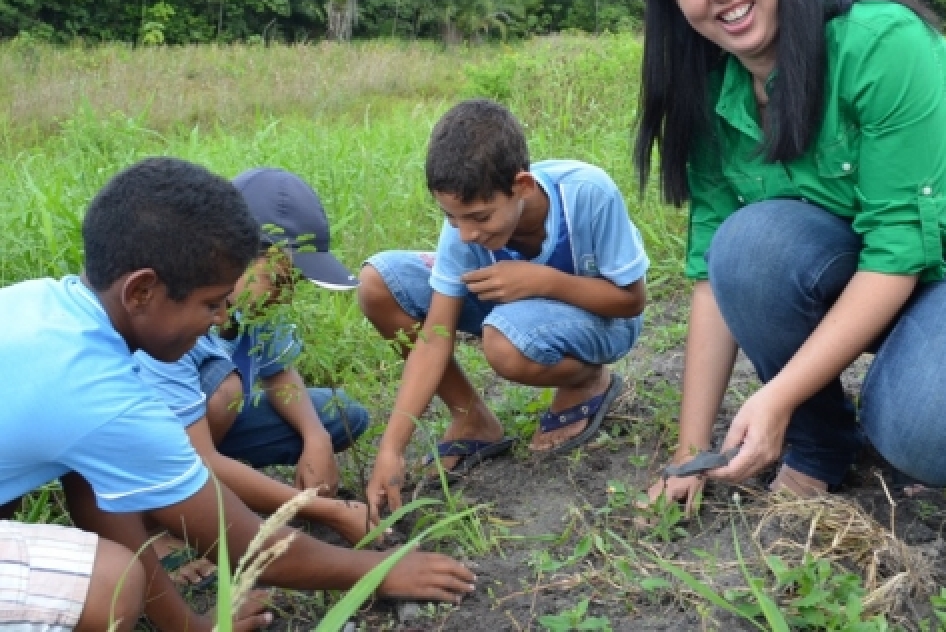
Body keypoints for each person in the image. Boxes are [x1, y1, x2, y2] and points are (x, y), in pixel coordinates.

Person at [634, 0, 946, 511]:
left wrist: (773, 397)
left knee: (926, 435)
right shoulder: (709, 92)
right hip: (882, 260)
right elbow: (712, 275)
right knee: (746, 248)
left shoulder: (880, 42)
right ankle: (821, 443)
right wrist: (690, 453)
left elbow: (898, 248)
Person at [0, 157, 475, 632]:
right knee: (108, 583)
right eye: (210, 303)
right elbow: (247, 543)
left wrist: (190, 626)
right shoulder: (102, 394)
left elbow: (99, 500)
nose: (219, 318)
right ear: (141, 291)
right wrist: (378, 570)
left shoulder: (48, 304)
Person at [361, 99, 649, 516]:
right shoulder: (464, 227)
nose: (465, 234)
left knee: (504, 341)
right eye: (452, 217)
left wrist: (544, 281)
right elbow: (436, 336)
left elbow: (631, 300)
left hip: (604, 320)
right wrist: (392, 448)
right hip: (512, 311)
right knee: (379, 283)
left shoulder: (588, 193)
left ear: (522, 186)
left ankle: (585, 381)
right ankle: (471, 418)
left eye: (479, 217)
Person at [134, 167, 372, 586]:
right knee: (225, 391)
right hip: (152, 447)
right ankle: (159, 528)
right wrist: (318, 508)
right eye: (281, 277)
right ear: (235, 255)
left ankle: (229, 487)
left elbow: (279, 372)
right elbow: (198, 456)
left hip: (206, 432)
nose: (287, 292)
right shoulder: (175, 318)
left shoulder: (255, 303)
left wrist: (316, 440)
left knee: (340, 416)